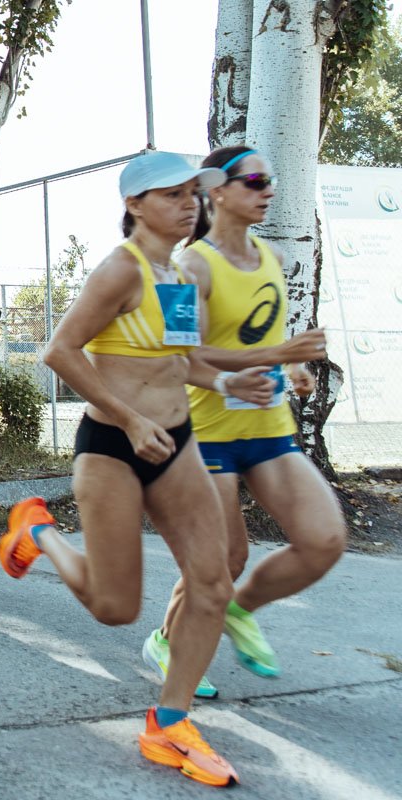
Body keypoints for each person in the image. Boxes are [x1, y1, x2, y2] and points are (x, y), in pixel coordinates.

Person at [0, 152, 275, 787]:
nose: (190, 204)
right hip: (113, 445)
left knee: (212, 581)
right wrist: (126, 417)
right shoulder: (120, 270)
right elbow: (60, 351)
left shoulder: (176, 274)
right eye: (172, 194)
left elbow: (184, 366)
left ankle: (169, 722)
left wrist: (242, 380)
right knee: (116, 608)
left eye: (194, 194)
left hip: (174, 442)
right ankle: (38, 532)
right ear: (134, 206)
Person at [142, 145, 347, 696]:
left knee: (324, 539)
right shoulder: (189, 268)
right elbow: (182, 361)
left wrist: (296, 368)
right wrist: (280, 354)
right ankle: (167, 639)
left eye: (269, 179)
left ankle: (233, 610)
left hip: (268, 427)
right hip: (207, 435)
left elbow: (264, 339)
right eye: (255, 179)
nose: (267, 189)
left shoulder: (273, 259)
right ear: (218, 192)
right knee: (226, 557)